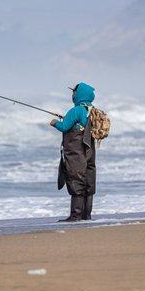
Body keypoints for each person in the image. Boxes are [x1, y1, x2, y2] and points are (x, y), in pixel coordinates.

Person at [50, 82, 96, 222]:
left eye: (74, 92)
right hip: (89, 150)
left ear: (79, 94)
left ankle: (75, 216)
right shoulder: (92, 110)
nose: (73, 95)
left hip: (76, 152)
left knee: (76, 179)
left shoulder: (76, 110)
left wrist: (54, 123)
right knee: (88, 180)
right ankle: (86, 215)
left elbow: (64, 127)